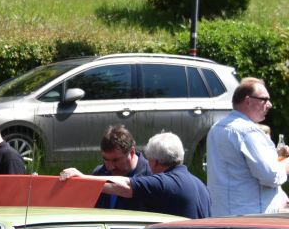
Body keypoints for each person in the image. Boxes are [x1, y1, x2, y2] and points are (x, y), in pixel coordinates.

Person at [59, 132, 210, 218]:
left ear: (154, 162)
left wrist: (83, 179)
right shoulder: (200, 185)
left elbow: (126, 185)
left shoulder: (164, 182)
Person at [206, 77, 289, 215]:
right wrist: (285, 164)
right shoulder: (248, 132)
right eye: (264, 100)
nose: (269, 105)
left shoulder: (217, 128)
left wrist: (275, 155)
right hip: (251, 218)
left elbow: (239, 166)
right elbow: (271, 176)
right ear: (248, 101)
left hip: (221, 215)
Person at [59, 125, 150, 209]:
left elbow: (129, 188)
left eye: (115, 160)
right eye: (106, 159)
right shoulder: (99, 173)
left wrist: (86, 180)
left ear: (132, 152)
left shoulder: (151, 175)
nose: (110, 167)